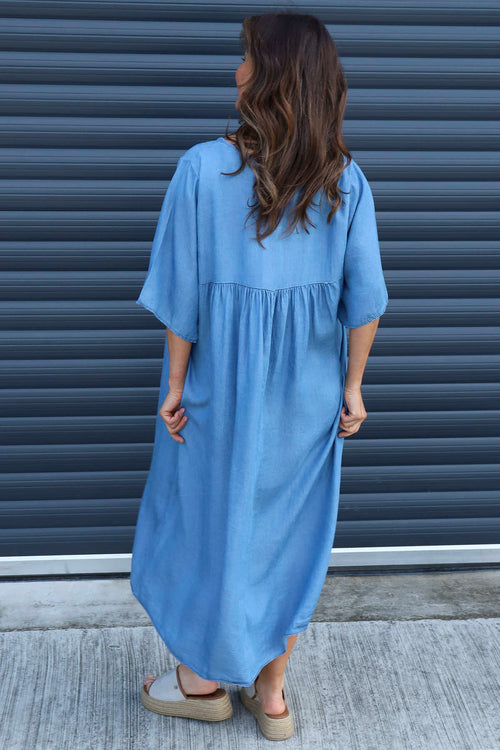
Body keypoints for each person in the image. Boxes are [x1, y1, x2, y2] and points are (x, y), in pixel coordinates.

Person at [130, 11, 388, 742]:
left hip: (219, 393)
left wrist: (175, 387)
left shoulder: (201, 170)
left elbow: (181, 298)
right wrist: (352, 387)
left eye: (245, 57)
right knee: (289, 538)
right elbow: (365, 302)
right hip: (308, 401)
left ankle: (200, 681)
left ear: (270, 77)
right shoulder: (346, 183)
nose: (236, 70)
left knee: (202, 524)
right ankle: (271, 696)